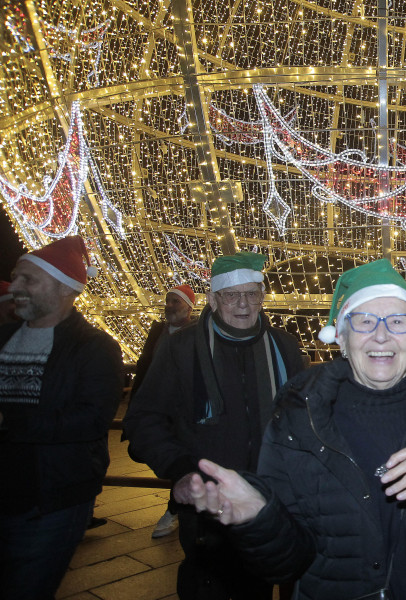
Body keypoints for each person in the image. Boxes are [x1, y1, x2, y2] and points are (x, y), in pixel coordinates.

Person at [175, 258, 406, 599]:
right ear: (341, 338)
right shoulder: (297, 415)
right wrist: (260, 520)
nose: (381, 335)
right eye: (363, 321)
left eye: (398, 321)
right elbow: (285, 566)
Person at [123, 251, 305, 600]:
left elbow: (302, 414)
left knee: (275, 582)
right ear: (212, 299)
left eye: (252, 293)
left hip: (274, 497)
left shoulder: (283, 346)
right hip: (210, 502)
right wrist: (180, 470)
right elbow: (144, 418)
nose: (243, 304)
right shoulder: (182, 347)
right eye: (231, 295)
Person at [0, 236, 123, 600]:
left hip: (49, 500)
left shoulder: (95, 347)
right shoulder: (3, 337)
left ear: (64, 288)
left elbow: (91, 419)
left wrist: (11, 422)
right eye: (16, 277)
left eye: (28, 280)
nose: (16, 287)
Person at [130, 284, 197, 540]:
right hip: (158, 407)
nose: (169, 306)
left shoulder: (195, 333)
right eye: (168, 301)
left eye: (175, 302)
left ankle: (173, 510)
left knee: (182, 459)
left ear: (189, 307)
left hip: (182, 410)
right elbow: (145, 365)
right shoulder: (157, 331)